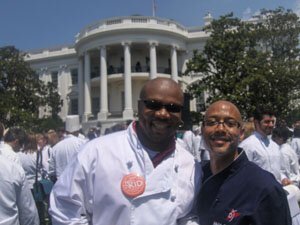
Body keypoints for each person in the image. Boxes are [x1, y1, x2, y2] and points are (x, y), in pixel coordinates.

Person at [49, 77, 201, 225]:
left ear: (181, 114)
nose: (162, 113)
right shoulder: (96, 152)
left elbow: (188, 216)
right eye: (153, 104)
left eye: (173, 108)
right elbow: (65, 210)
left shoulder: (190, 165)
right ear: (139, 107)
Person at [197, 100, 291, 225]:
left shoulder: (266, 189)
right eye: (212, 122)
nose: (220, 129)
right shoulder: (195, 176)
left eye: (230, 123)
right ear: (202, 130)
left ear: (241, 133)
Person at [0, 127, 40, 225]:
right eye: (21, 144)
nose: (21, 148)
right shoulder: (13, 160)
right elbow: (28, 212)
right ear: (16, 142)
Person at [239, 106, 287, 184]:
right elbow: (242, 174)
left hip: (276, 190)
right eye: (267, 122)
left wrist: (283, 178)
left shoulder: (274, 146)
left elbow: (279, 170)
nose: (271, 125)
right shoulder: (247, 146)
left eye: (272, 121)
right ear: (256, 123)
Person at [48, 115, 87, 181]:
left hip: (61, 185)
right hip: (79, 183)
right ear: (77, 131)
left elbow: (51, 171)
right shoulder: (83, 143)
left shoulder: (56, 148)